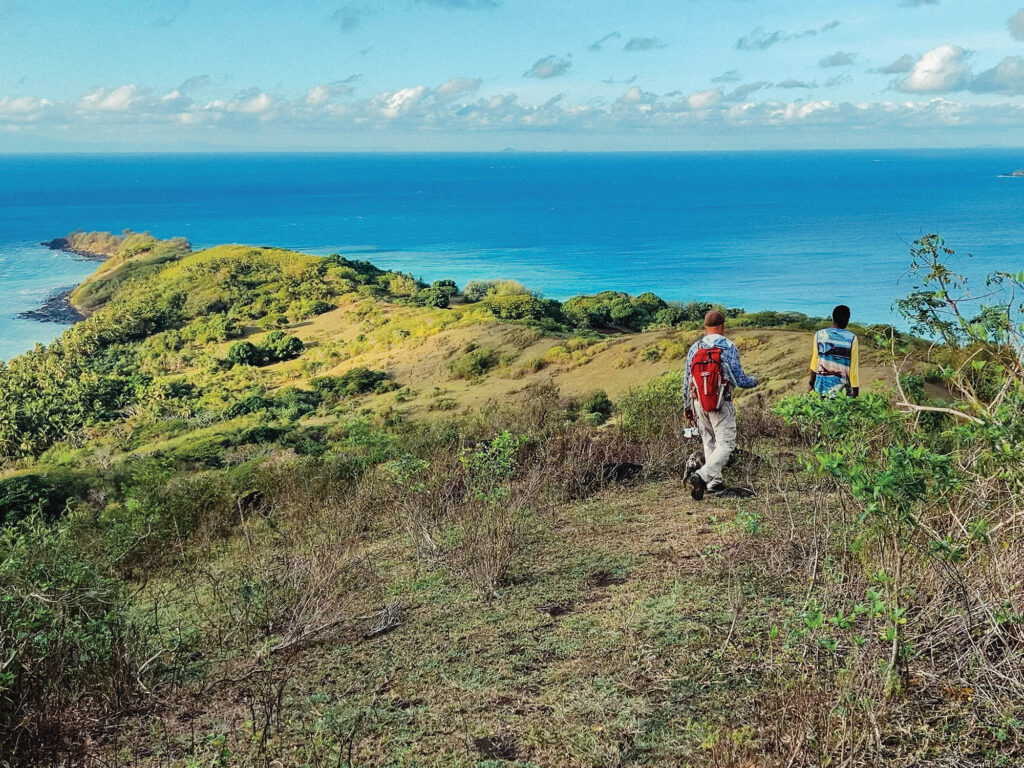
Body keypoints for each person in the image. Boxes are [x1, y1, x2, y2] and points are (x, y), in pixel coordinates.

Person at [684, 309, 759, 501]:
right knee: (726, 445)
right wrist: (755, 381)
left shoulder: (695, 347)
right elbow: (740, 379)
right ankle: (702, 476)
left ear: (705, 326)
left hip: (698, 400)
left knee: (709, 441)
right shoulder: (728, 346)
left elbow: (687, 380)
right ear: (723, 326)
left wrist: (687, 407)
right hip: (721, 401)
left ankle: (714, 482)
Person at [809, 305, 859, 398]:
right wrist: (855, 392)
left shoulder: (819, 335)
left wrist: (811, 384)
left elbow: (814, 363)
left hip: (820, 388)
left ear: (833, 317)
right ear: (847, 320)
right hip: (841, 392)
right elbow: (853, 369)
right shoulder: (852, 338)